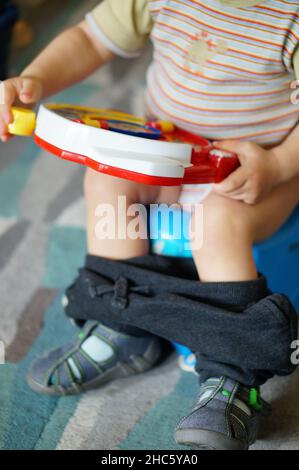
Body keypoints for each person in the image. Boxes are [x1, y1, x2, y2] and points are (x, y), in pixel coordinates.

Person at [1, 0, 299, 450]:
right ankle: (122, 324)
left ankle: (234, 378)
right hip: (167, 152)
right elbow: (89, 38)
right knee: (105, 177)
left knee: (217, 220)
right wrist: (36, 78)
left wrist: (277, 165)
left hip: (260, 169)